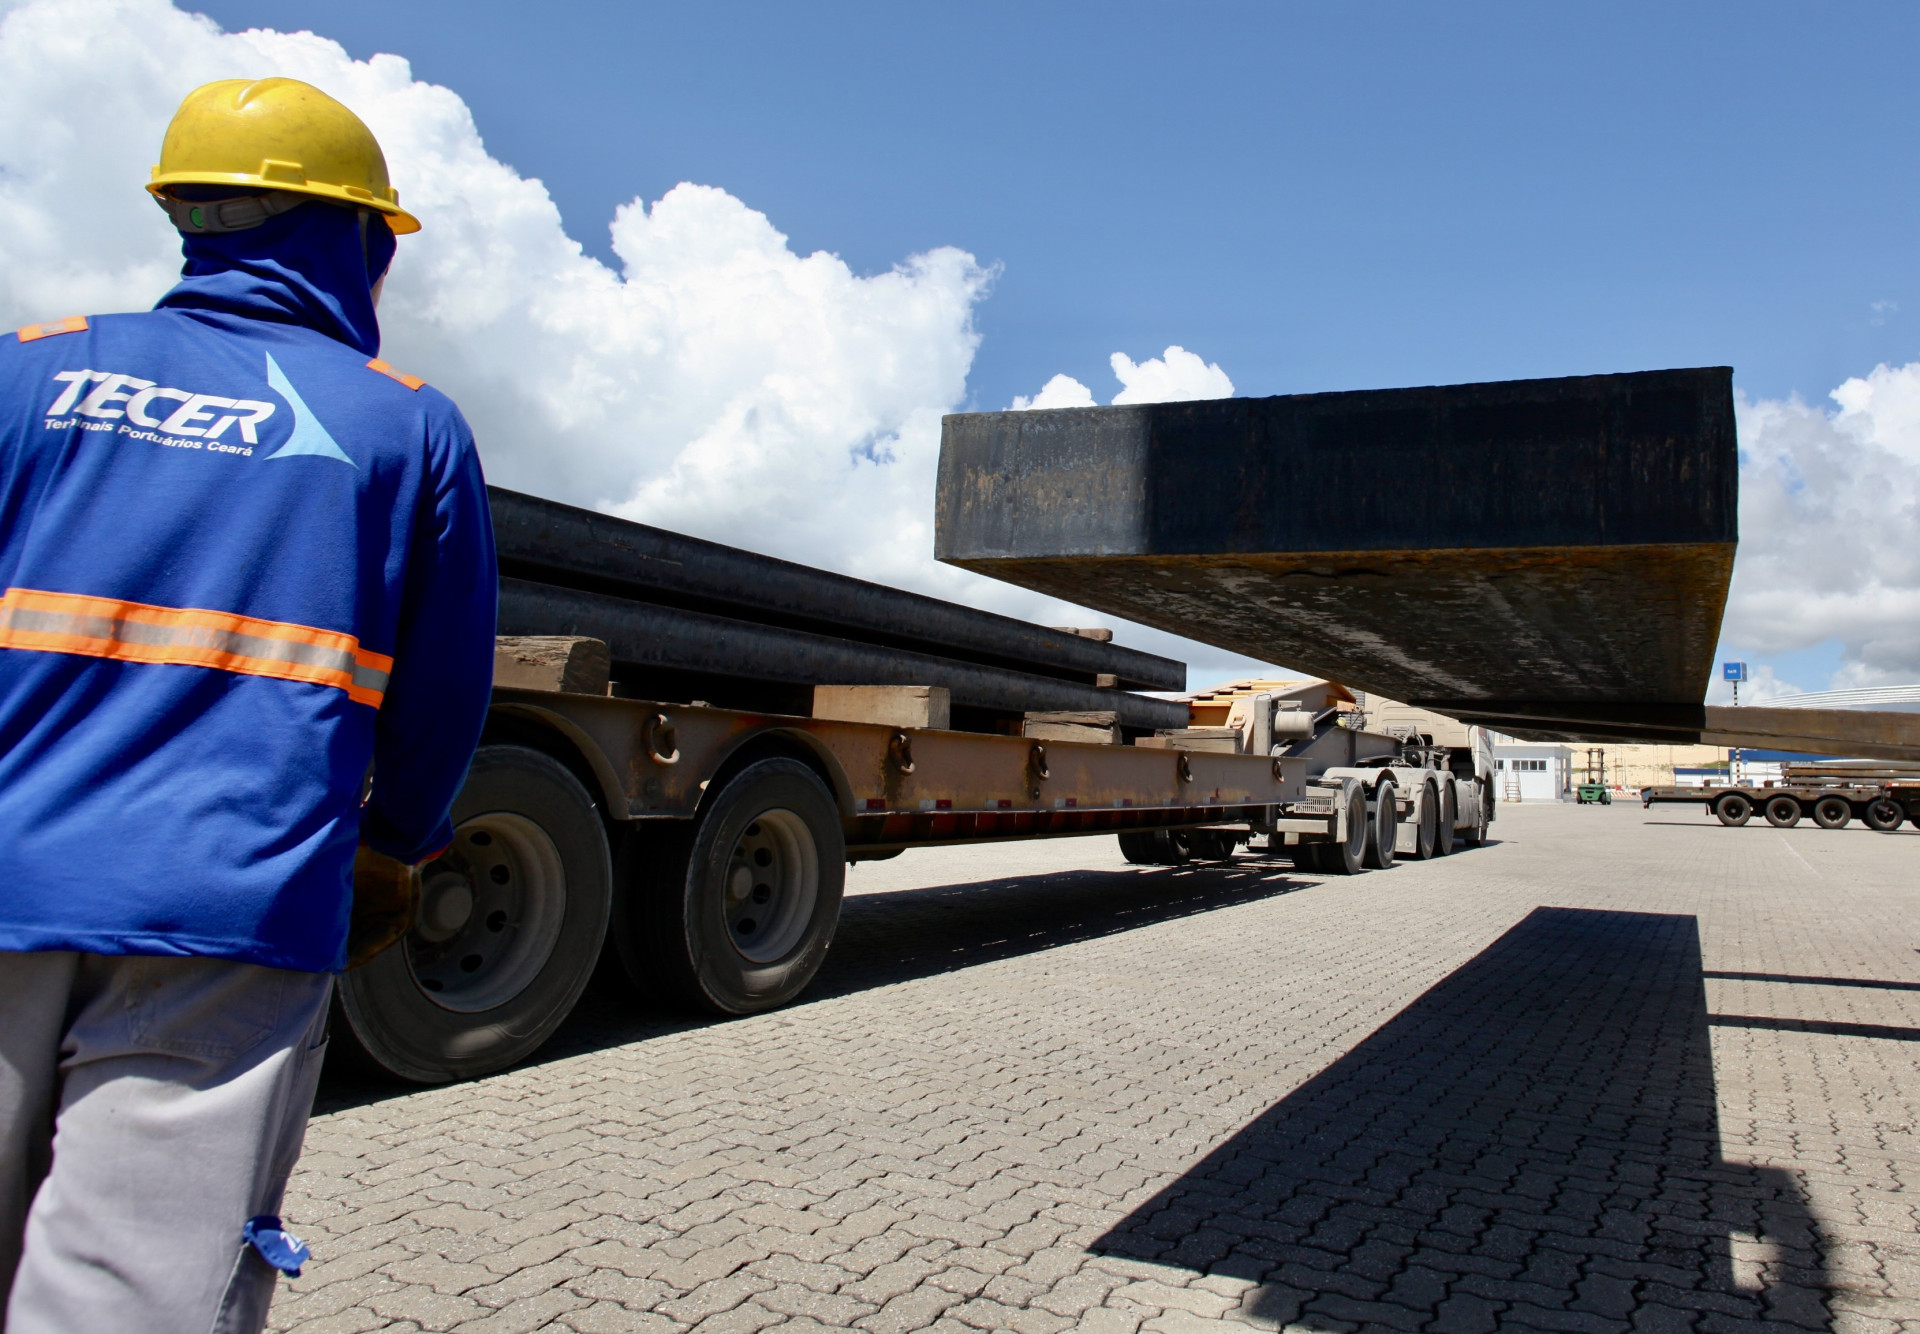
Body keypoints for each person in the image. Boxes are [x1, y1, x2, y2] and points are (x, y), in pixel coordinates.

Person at [0, 77, 496, 1332]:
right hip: (228, 914)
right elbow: (443, 691)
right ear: (361, 238)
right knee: (131, 1286)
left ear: (192, 215)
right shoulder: (405, 425)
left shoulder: (29, 372)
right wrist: (397, 848)